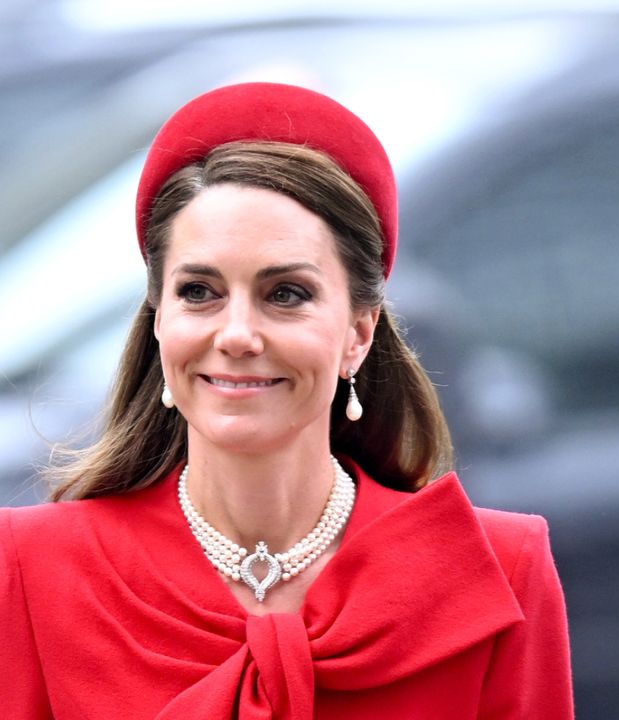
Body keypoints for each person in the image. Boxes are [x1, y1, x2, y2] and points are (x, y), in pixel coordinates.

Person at [0, 82, 573, 719]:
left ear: (359, 333)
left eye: (286, 295)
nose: (237, 334)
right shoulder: (31, 571)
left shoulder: (497, 573)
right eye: (199, 291)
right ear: (159, 320)